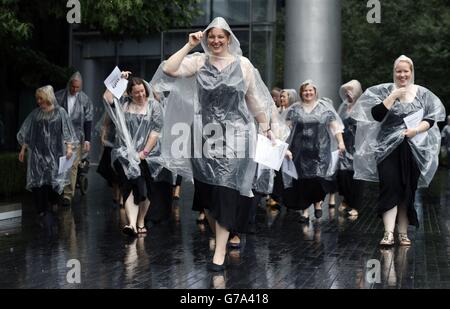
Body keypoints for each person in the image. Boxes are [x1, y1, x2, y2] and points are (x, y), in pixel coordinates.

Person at [156, 17, 277, 271]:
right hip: (205, 135)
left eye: (221, 36)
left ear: (229, 39)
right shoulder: (199, 62)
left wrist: (265, 126)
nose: (216, 40)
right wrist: (190, 45)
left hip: (237, 135)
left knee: (224, 189)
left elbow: (253, 99)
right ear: (207, 39)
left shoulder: (243, 64)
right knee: (208, 195)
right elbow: (169, 69)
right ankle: (222, 235)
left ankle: (219, 253)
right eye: (212, 36)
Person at [351, 55, 445, 246]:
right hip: (387, 150)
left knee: (407, 190)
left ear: (411, 72)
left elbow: (432, 118)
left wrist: (416, 130)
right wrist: (394, 95)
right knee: (389, 187)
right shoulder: (385, 91)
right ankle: (388, 233)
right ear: (394, 72)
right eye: (398, 71)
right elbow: (376, 115)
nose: (402, 75)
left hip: (413, 149)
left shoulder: (422, 93)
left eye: (406, 71)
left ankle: (403, 233)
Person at [103, 75, 171, 236]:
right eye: (136, 92)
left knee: (145, 190)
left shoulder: (153, 106)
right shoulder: (124, 105)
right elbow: (107, 97)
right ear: (129, 94)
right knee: (128, 187)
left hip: (148, 155)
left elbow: (156, 131)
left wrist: (144, 152)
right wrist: (118, 78)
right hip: (125, 154)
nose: (140, 95)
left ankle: (140, 220)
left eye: (142, 91)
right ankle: (132, 224)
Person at [283, 80, 345, 223]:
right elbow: (286, 129)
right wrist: (283, 146)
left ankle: (317, 203)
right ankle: (305, 211)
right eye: (305, 90)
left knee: (318, 179)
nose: (308, 93)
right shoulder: (294, 109)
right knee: (303, 180)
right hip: (300, 151)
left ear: (315, 92)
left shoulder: (325, 108)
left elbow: (335, 127)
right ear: (301, 93)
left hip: (320, 151)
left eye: (310, 90)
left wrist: (341, 142)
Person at [17, 85, 78, 229]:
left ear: (48, 97)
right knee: (39, 182)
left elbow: (68, 132)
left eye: (41, 98)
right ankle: (42, 212)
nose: (38, 101)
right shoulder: (36, 114)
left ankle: (51, 207)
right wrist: (23, 149)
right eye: (37, 98)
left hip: (56, 154)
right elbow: (28, 132)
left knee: (52, 182)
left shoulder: (60, 112)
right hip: (38, 154)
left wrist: (69, 148)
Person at [55, 72, 93, 206]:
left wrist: (87, 140)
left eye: (77, 87)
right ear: (69, 84)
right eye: (73, 87)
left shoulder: (84, 99)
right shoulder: (58, 96)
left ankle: (67, 195)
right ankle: (57, 190)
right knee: (58, 164)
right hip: (59, 137)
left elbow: (88, 120)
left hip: (77, 136)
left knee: (71, 165)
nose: (74, 90)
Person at [336, 80, 364, 217]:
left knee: (356, 177)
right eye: (346, 90)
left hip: (358, 145)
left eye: (351, 90)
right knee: (343, 174)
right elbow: (336, 123)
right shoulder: (343, 106)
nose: (348, 93)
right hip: (344, 144)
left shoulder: (363, 106)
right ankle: (346, 199)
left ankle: (356, 205)